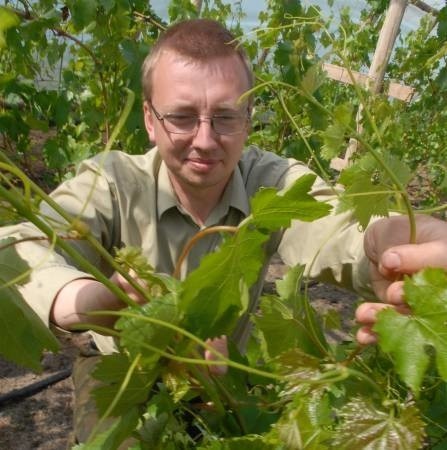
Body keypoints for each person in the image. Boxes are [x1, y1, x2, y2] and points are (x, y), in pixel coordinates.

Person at [2, 18, 447, 444]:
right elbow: (20, 247)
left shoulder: (272, 183)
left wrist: (387, 243)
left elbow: (338, 228)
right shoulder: (111, 182)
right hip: (123, 365)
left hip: (221, 367)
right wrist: (89, 301)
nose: (204, 139)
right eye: (181, 116)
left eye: (225, 117)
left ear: (249, 118)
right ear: (149, 119)